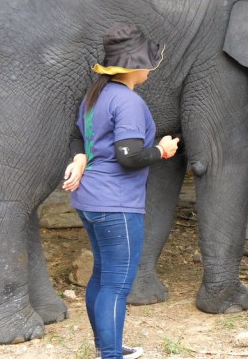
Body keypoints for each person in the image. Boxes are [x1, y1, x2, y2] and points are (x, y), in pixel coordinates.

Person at [62, 21, 180, 359]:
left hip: (89, 199)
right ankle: (110, 355)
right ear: (134, 66)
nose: (151, 68)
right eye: (147, 61)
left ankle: (108, 348)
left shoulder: (95, 94)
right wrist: (163, 150)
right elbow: (128, 156)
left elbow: (76, 135)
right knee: (116, 286)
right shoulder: (127, 102)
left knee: (101, 277)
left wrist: (81, 156)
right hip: (117, 204)